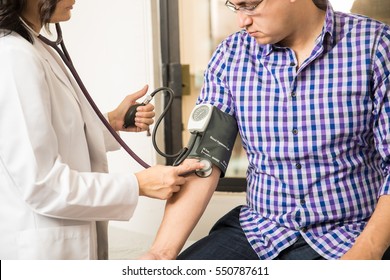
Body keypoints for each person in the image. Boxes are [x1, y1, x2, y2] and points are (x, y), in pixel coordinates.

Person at [141, 0, 390, 260]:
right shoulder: (230, 55)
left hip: (353, 233)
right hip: (261, 232)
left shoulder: (375, 46)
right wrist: (160, 254)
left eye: (249, 5)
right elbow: (205, 159)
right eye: (234, 7)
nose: (241, 21)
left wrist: (368, 252)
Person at [0, 0, 203, 260]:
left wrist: (113, 121)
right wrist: (137, 184)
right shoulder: (13, 56)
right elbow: (42, 184)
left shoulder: (37, 47)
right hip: (42, 250)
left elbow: (54, 130)